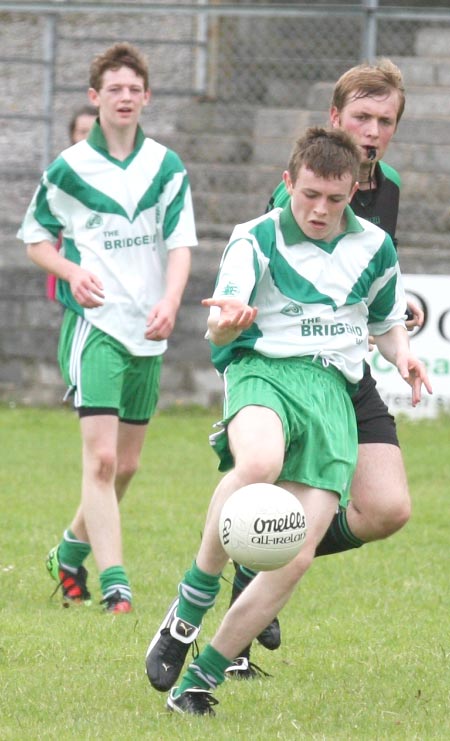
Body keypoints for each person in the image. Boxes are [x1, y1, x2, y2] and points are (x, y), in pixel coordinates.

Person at [145, 126, 431, 715]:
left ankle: (199, 682)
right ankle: (188, 609)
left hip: (332, 393)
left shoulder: (375, 246)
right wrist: (227, 323)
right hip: (265, 372)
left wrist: (401, 354)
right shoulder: (254, 238)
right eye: (308, 195)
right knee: (258, 462)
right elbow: (224, 318)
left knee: (295, 553)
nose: (320, 209)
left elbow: (382, 320)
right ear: (287, 183)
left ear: (353, 190)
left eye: (334, 198)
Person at [227, 58, 426, 673]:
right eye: (361, 117)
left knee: (387, 510)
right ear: (334, 119)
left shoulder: (387, 184)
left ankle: (264, 556)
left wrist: (393, 333)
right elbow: (269, 291)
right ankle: (248, 589)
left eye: (384, 120)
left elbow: (370, 283)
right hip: (290, 370)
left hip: (349, 364)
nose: (372, 130)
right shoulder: (302, 185)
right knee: (280, 497)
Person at [18, 42, 197, 613]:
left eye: (133, 88)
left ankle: (70, 550)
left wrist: (171, 300)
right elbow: (34, 239)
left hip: (149, 329)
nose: (124, 97)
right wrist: (70, 270)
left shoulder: (166, 166)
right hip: (96, 327)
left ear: (147, 97)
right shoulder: (68, 169)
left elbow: (180, 245)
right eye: (113, 89)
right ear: (95, 98)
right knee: (99, 460)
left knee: (127, 466)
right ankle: (115, 582)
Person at [46, 105, 98, 302]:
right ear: (72, 136)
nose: (87, 138)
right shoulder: (62, 174)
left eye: (93, 132)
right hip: (74, 268)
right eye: (82, 132)